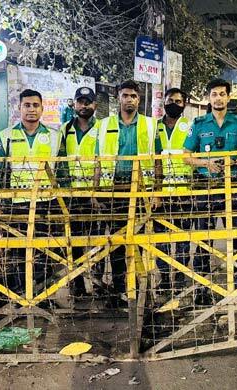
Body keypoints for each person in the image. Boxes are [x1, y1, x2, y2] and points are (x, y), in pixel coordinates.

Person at [183, 78, 237, 306]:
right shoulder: (199, 123)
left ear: (228, 96)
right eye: (214, 94)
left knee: (236, 238)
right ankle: (202, 290)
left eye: (222, 94)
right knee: (204, 240)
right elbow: (186, 155)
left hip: (232, 187)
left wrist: (231, 161)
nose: (218, 98)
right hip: (204, 187)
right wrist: (205, 164)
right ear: (208, 98)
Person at [0, 89, 66, 293]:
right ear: (20, 108)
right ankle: (20, 295)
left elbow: (64, 172)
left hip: (46, 204)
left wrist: (63, 203)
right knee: (16, 252)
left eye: (35, 105)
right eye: (27, 105)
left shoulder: (55, 136)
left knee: (45, 250)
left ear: (42, 108)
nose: (31, 109)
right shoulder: (5, 136)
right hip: (15, 205)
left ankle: (43, 294)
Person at [94, 80, 159, 308]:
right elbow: (98, 161)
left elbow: (158, 160)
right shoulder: (103, 126)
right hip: (113, 191)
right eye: (125, 96)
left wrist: (156, 192)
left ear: (139, 99)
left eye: (133, 96)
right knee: (117, 242)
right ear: (118, 98)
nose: (129, 99)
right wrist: (96, 191)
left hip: (142, 192)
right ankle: (121, 290)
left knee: (141, 242)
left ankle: (142, 291)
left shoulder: (151, 125)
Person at [60, 87, 105, 296]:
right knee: (74, 241)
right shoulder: (64, 130)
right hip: (71, 196)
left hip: (93, 195)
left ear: (94, 105)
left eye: (88, 102)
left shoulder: (102, 129)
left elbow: (101, 162)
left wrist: (95, 192)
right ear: (74, 104)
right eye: (80, 101)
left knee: (98, 240)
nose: (84, 106)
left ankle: (98, 283)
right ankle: (77, 284)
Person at [155, 87, 194, 292]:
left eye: (179, 101)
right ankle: (164, 275)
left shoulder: (190, 126)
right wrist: (157, 192)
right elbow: (154, 160)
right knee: (160, 237)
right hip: (161, 194)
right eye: (171, 100)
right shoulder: (155, 127)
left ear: (184, 104)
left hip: (184, 192)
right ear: (164, 102)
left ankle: (179, 276)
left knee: (181, 236)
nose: (174, 104)